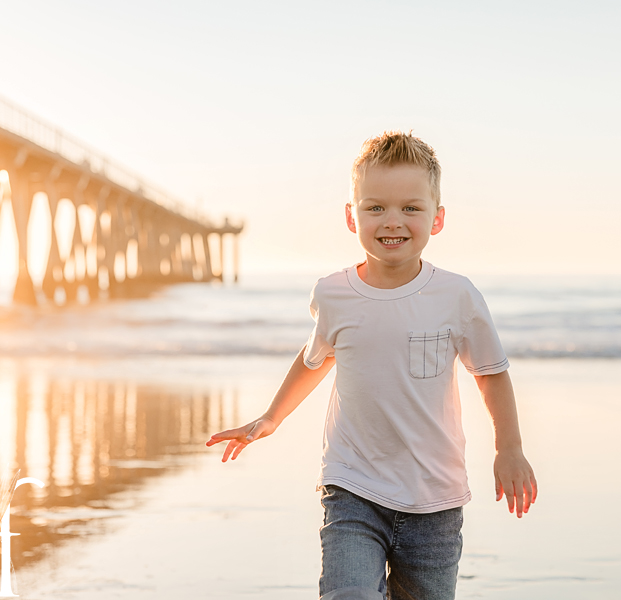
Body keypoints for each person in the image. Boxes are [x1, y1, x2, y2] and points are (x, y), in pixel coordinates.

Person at [207, 131, 537, 600]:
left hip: (435, 500)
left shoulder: (456, 296)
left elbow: (490, 373)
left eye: (411, 208)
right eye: (375, 207)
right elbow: (315, 358)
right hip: (352, 488)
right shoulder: (334, 293)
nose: (392, 221)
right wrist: (271, 417)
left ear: (437, 217)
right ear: (352, 216)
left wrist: (510, 447)